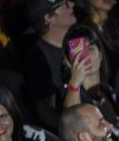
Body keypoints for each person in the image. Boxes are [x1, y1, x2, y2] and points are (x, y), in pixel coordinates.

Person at [60, 23, 119, 138]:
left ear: (100, 55)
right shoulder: (68, 94)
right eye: (78, 52)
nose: (86, 56)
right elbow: (72, 126)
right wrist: (74, 83)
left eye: (90, 48)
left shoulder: (111, 91)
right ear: (68, 62)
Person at [25, 0, 79, 131]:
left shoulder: (75, 41)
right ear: (48, 18)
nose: (71, 4)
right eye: (63, 4)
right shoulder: (38, 59)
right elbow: (46, 112)